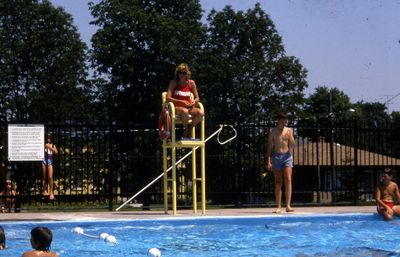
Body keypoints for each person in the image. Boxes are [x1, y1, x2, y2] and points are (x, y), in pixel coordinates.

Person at [265, 113, 296, 213]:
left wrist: (290, 137)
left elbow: (293, 145)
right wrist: (268, 160)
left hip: (287, 156)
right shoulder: (272, 131)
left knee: (288, 179)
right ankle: (278, 206)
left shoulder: (289, 130)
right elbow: (270, 146)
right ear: (278, 121)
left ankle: (288, 205)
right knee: (278, 182)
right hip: (277, 156)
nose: (285, 122)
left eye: (286, 121)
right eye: (283, 120)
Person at [166, 63, 204, 138]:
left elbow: (197, 98)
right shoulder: (173, 82)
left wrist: (194, 102)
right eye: (180, 72)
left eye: (184, 73)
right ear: (177, 73)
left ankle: (190, 128)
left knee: (200, 112)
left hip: (189, 107)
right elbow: (168, 98)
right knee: (185, 111)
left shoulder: (191, 83)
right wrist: (181, 102)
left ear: (187, 73)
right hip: (176, 108)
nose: (182, 74)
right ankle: (186, 130)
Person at [42, 133, 58, 200]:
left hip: (50, 160)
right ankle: (44, 190)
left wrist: (49, 147)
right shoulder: (43, 144)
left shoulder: (53, 145)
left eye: (50, 137)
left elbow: (56, 152)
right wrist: (45, 147)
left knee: (50, 177)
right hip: (43, 160)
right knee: (44, 176)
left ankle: (51, 192)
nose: (48, 139)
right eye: (47, 137)